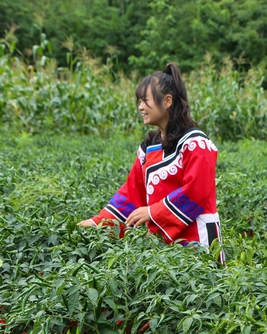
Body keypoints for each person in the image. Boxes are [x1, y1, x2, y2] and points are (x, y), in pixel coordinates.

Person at [78, 63, 224, 264]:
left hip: (199, 239)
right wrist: (98, 223)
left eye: (145, 101)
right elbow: (132, 193)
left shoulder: (196, 144)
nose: (140, 107)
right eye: (139, 101)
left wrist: (152, 212)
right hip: (162, 242)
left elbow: (196, 192)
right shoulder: (149, 146)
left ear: (167, 101)